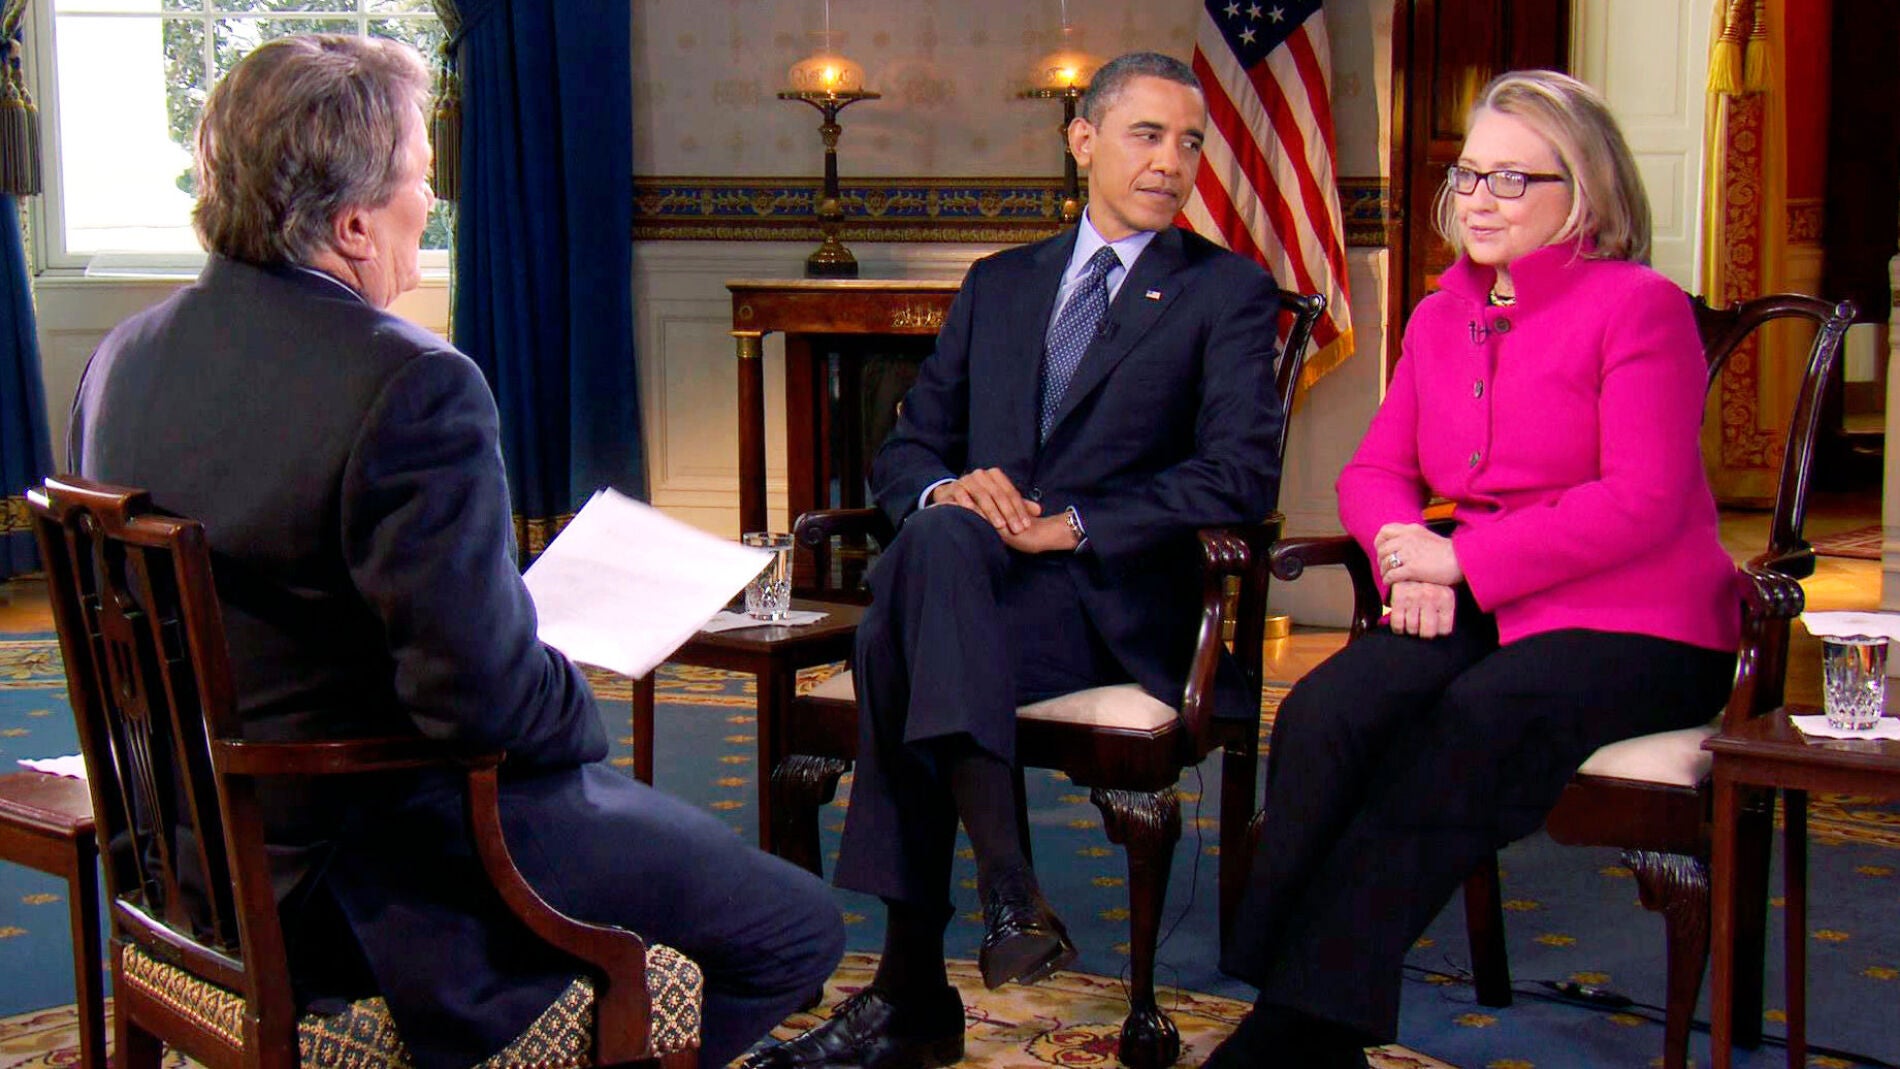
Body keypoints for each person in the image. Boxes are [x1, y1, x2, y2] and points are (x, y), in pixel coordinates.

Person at [67, 35, 842, 1069]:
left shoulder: (120, 356)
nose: (429, 209)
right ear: (350, 224)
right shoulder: (408, 382)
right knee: (793, 928)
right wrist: (565, 682)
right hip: (369, 866)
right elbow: (476, 703)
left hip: (190, 857)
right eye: (420, 184)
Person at [742, 51, 1284, 1069]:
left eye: (1190, 142)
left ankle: (913, 989)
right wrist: (943, 489)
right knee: (936, 540)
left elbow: (1239, 478)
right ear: (1083, 140)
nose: (1172, 162)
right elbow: (907, 449)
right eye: (1147, 134)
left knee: (902, 624)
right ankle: (1002, 892)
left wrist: (1070, 522)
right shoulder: (1000, 284)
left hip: (1109, 603)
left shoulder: (1225, 292)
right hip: (983, 594)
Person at [1205, 70, 1741, 1068]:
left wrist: (1460, 559)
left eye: (1510, 179)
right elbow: (1376, 470)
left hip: (1645, 622)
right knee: (1327, 712)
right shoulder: (1438, 314)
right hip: (1484, 594)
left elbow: (1643, 501)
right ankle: (1301, 1001)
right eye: (1467, 175)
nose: (1477, 201)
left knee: (1467, 723)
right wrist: (1405, 556)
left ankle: (1293, 1034)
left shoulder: (1641, 307)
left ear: (1581, 192)